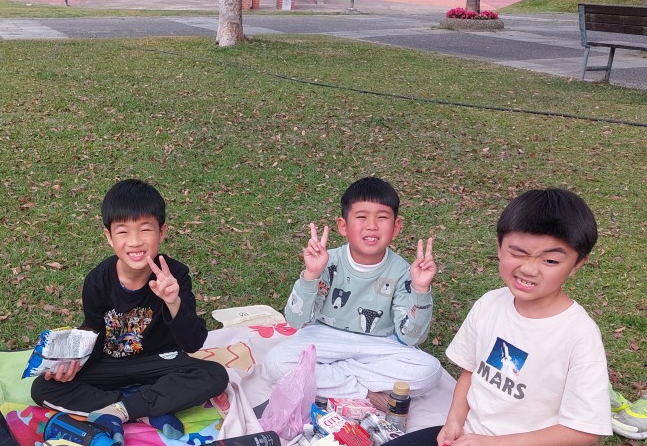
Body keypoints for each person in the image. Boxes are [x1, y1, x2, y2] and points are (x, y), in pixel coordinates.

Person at [359, 188, 612, 446]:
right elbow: (471, 370)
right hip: (470, 438)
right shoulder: (491, 304)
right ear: (499, 247)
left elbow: (585, 429)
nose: (529, 269)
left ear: (577, 264)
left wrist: (495, 445)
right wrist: (455, 421)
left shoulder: (578, 334)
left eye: (550, 259)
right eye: (518, 253)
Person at [31, 178, 228, 428]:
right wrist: (72, 363)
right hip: (110, 364)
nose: (135, 241)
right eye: (123, 231)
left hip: (159, 362)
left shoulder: (174, 275)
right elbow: (95, 335)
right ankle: (137, 408)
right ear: (109, 237)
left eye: (145, 229)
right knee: (43, 387)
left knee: (214, 374)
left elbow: (193, 343)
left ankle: (126, 409)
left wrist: (173, 301)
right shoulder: (97, 281)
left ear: (162, 232)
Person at [265, 176, 441, 410]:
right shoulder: (327, 262)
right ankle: (363, 393)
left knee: (430, 371)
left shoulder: (403, 271)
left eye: (382, 217)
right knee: (276, 362)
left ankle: (333, 379)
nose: (372, 225)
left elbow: (411, 338)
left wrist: (420, 289)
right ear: (343, 226)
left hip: (378, 345)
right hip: (324, 337)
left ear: (396, 227)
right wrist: (311, 274)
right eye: (361, 217)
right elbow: (296, 321)